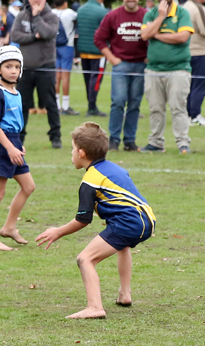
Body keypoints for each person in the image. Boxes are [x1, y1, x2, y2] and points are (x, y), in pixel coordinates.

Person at [36, 119, 156, 319]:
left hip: (128, 222)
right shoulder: (114, 168)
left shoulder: (90, 180)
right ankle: (125, 294)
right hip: (147, 218)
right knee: (123, 246)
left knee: (85, 259)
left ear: (81, 153)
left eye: (72, 149)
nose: (71, 153)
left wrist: (58, 231)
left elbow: (83, 220)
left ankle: (95, 307)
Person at [0, 45, 36, 251]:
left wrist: (18, 144)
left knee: (28, 186)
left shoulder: (16, 92)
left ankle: (9, 227)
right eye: (8, 66)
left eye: (16, 66)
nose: (13, 70)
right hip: (1, 145)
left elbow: (15, 123)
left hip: (13, 142)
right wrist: (10, 148)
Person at [139, 0, 195, 154]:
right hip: (154, 69)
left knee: (178, 108)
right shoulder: (151, 14)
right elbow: (144, 35)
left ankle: (183, 143)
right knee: (155, 108)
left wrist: (157, 35)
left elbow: (182, 37)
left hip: (178, 69)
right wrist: (161, 17)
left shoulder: (182, 13)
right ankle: (156, 142)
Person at [9, 0, 62, 150]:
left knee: (50, 103)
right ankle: (19, 137)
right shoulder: (21, 15)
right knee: (22, 105)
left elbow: (47, 33)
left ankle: (55, 136)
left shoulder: (52, 17)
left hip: (45, 67)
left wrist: (37, 16)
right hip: (25, 68)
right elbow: (15, 35)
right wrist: (34, 36)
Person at [94, 0, 147, 151]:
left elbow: (154, 37)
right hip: (120, 65)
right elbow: (99, 38)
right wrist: (111, 57)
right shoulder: (113, 15)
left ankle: (130, 140)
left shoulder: (146, 15)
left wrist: (148, 57)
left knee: (135, 103)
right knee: (118, 101)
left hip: (140, 65)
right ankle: (114, 139)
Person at [74, 0, 109, 116]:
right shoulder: (102, 12)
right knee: (96, 80)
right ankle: (92, 107)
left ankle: (91, 104)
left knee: (88, 79)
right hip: (98, 52)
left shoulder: (80, 10)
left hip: (83, 51)